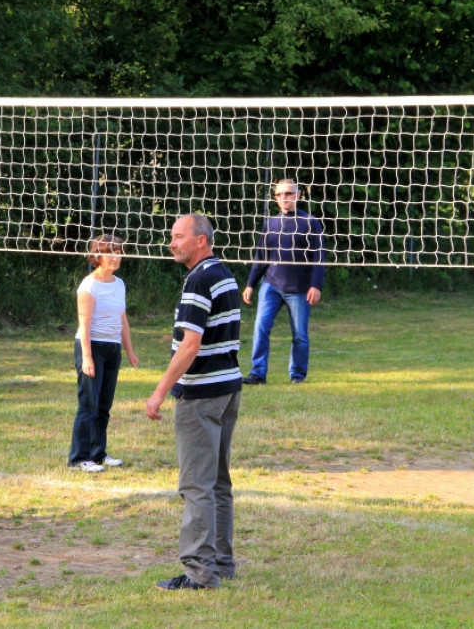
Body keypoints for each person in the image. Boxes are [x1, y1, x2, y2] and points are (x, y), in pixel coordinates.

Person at [146, 213, 242, 590]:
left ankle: (201, 574)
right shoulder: (224, 272)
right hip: (227, 389)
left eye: (178, 236)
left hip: (202, 393)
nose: (172, 242)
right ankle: (222, 562)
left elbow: (191, 344)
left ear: (201, 241)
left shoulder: (199, 278)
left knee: (197, 485)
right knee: (217, 482)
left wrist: (159, 392)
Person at [241, 178, 325, 385]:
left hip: (299, 289)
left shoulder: (310, 223)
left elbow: (319, 257)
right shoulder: (271, 223)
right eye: (280, 194)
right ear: (276, 198)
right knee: (261, 328)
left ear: (298, 195)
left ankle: (297, 375)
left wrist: (316, 285)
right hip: (271, 286)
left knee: (300, 335)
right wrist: (251, 284)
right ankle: (258, 373)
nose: (284, 198)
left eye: (288, 193)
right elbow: (262, 257)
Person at [68, 234, 140, 473]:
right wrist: (87, 357)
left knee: (103, 405)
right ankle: (79, 458)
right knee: (88, 404)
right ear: (97, 256)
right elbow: (84, 324)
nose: (115, 257)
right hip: (92, 346)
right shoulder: (89, 285)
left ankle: (98, 453)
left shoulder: (119, 284)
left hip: (112, 348)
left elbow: (123, 319)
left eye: (118, 252)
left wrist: (129, 350)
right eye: (110, 252)